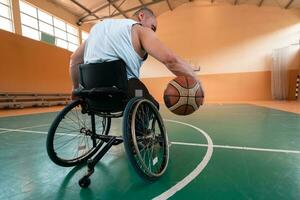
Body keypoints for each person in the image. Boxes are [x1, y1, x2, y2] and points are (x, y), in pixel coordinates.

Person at [69, 7, 198, 109]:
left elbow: (74, 59)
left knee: (138, 95)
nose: (153, 32)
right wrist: (195, 83)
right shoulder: (139, 29)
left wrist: (76, 90)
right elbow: (171, 60)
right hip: (123, 89)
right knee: (151, 103)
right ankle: (142, 138)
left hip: (91, 89)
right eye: (153, 27)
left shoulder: (98, 28)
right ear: (141, 16)